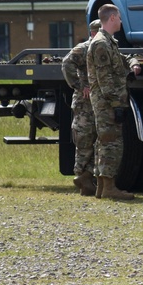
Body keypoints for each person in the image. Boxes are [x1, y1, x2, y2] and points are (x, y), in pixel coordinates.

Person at [86, 4, 142, 200]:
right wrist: (116, 103)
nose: (120, 20)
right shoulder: (101, 44)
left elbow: (120, 59)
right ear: (111, 19)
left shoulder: (108, 42)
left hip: (107, 102)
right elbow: (104, 79)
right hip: (107, 103)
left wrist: (133, 62)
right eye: (118, 17)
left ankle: (103, 187)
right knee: (111, 144)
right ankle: (109, 187)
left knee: (104, 143)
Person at [61, 20, 101, 196]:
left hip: (97, 100)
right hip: (84, 103)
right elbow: (66, 63)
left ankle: (87, 178)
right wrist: (78, 85)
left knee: (98, 140)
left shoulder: (103, 47)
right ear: (93, 33)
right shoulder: (84, 48)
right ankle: (82, 177)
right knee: (83, 139)